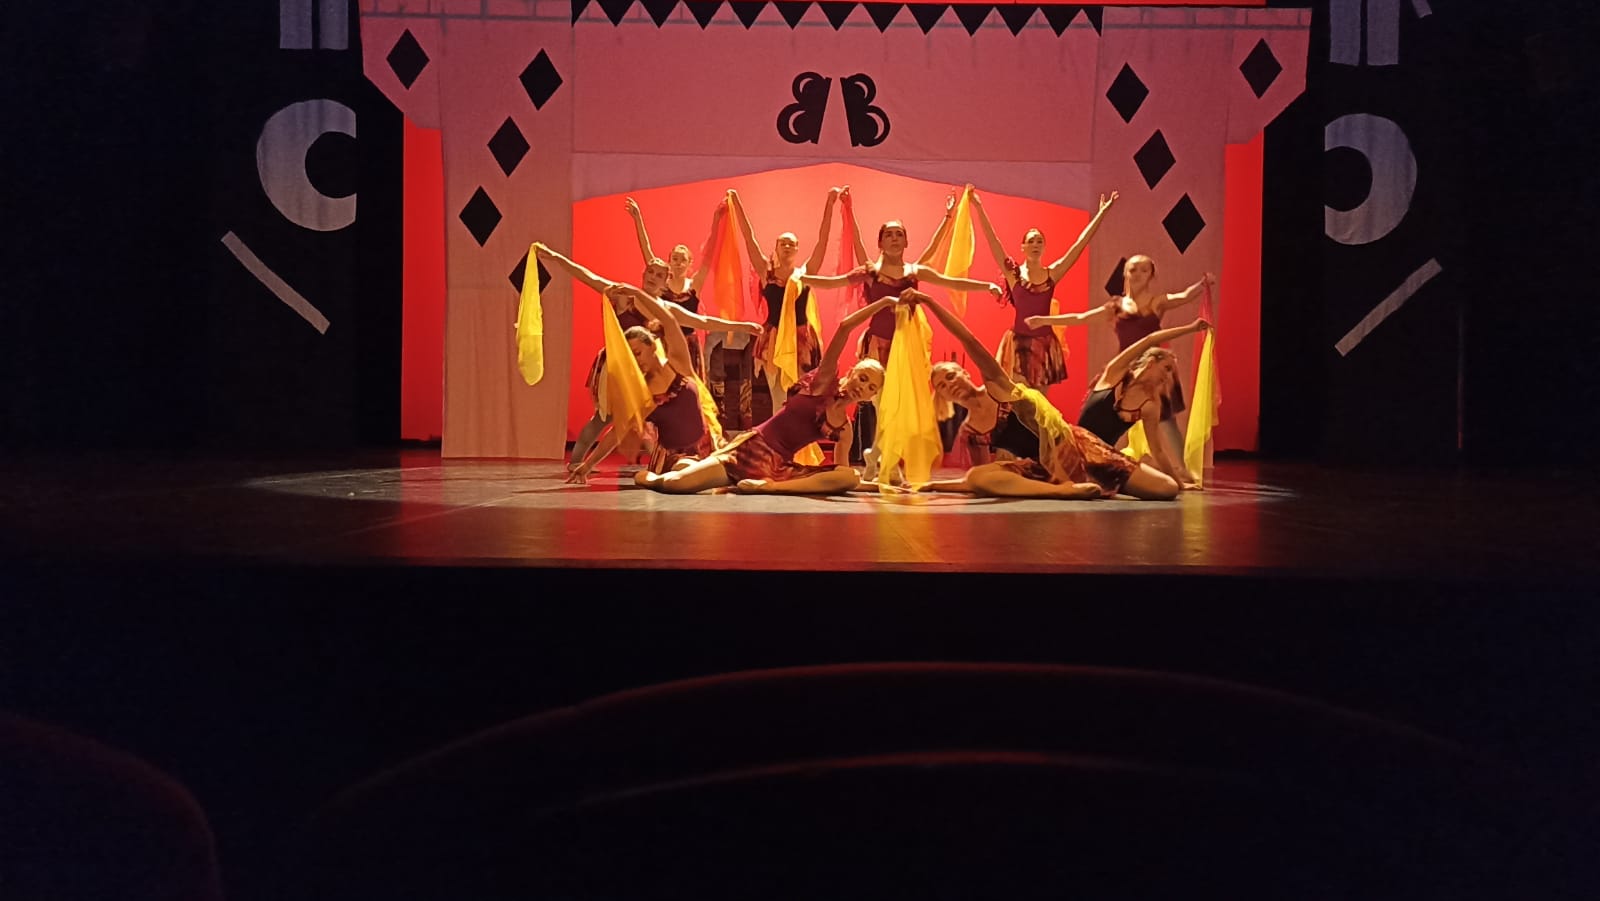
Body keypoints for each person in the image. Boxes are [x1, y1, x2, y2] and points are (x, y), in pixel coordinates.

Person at [909, 288, 1183, 500]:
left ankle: (1101, 482)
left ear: (965, 373)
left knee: (1166, 489)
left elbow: (968, 340)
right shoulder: (971, 432)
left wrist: (930, 302)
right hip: (1042, 472)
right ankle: (1062, 491)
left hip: (1078, 449)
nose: (949, 384)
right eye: (942, 385)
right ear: (943, 396)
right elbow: (978, 481)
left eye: (950, 376)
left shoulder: (998, 388)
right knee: (977, 476)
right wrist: (933, 485)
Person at [633, 294, 906, 495]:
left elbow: (839, 479)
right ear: (852, 373)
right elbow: (845, 326)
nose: (863, 387)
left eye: (871, 387)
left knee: (849, 476)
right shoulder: (824, 382)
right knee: (676, 484)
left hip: (777, 470)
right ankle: (653, 477)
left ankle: (770, 487)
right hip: (750, 451)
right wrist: (882, 303)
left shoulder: (844, 429)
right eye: (863, 378)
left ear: (870, 397)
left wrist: (880, 487)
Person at [535, 245, 760, 467]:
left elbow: (703, 322)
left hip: (646, 374)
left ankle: (664, 464)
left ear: (666, 282)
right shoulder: (625, 297)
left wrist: (743, 326)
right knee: (604, 419)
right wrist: (556, 256)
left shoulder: (667, 309)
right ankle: (576, 464)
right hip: (621, 369)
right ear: (644, 274)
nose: (653, 277)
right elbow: (588, 277)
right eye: (650, 272)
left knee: (645, 420)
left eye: (659, 275)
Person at [1026, 255, 1215, 482]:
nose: (1137, 274)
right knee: (1110, 417)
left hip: (1151, 369)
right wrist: (1044, 320)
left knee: (1166, 420)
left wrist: (1202, 284)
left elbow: (1183, 296)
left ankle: (1181, 469)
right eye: (1133, 270)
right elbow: (1080, 317)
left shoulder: (1157, 302)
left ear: (1151, 275)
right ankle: (1091, 459)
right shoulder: (1115, 307)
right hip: (1127, 370)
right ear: (1125, 273)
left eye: (1144, 270)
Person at [565, 283, 721, 484]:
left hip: (707, 448)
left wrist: (637, 293)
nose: (636, 361)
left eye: (638, 353)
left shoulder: (678, 362)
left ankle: (672, 477)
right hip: (672, 459)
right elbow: (617, 432)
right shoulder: (644, 393)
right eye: (631, 358)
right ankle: (658, 479)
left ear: (653, 347)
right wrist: (587, 466)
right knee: (684, 470)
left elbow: (668, 319)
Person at [969, 188, 1118, 390]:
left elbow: (1080, 244)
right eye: (1031, 241)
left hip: (1044, 346)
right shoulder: (1013, 274)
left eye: (1039, 241)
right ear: (1022, 247)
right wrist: (978, 207)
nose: (1035, 244)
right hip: (1018, 345)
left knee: (1040, 403)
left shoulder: (1053, 274)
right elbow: (993, 240)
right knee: (1019, 400)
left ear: (1044, 247)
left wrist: (1101, 213)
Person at [1077, 316, 1214, 490]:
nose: (1168, 377)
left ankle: (1101, 482)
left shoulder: (1150, 405)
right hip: (1077, 446)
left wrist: (1180, 484)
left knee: (1168, 487)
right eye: (1166, 368)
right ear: (1151, 362)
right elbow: (1150, 339)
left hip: (1103, 458)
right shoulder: (1115, 373)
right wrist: (1191, 328)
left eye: (1171, 373)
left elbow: (1157, 451)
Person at [624, 197, 720, 378]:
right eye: (674, 258)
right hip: (664, 344)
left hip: (688, 346)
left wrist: (716, 221)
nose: (678, 263)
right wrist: (638, 219)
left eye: (683, 259)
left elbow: (709, 258)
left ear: (689, 264)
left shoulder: (694, 285)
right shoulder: (662, 285)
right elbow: (647, 251)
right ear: (669, 262)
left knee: (689, 385)